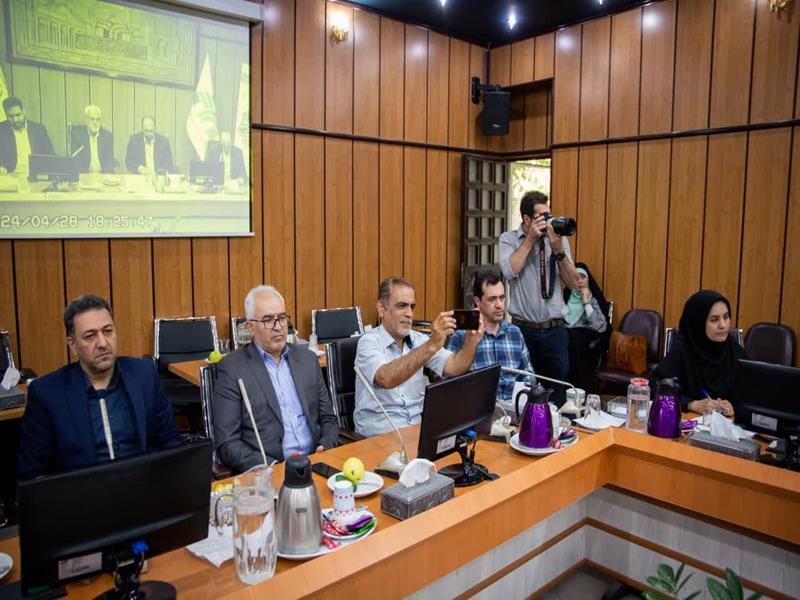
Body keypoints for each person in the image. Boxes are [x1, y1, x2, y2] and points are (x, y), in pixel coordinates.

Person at [17, 295, 181, 480]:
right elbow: (32, 475)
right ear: (72, 345)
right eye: (90, 336)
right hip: (83, 493)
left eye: (108, 331)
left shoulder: (144, 374)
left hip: (143, 485)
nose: (102, 343)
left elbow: (170, 440)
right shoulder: (47, 393)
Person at [213, 285, 338, 473]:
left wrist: (325, 445)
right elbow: (227, 443)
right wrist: (270, 466)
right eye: (268, 320)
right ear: (250, 327)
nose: (278, 326)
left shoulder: (307, 360)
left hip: (316, 462)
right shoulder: (232, 369)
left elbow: (328, 418)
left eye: (282, 318)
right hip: (270, 471)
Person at [354, 276, 483, 437]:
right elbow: (386, 378)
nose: (409, 313)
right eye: (401, 306)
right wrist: (431, 345)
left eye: (412, 307)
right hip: (379, 435)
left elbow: (455, 366)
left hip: (416, 431)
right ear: (381, 309)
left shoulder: (419, 340)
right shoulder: (368, 342)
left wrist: (471, 342)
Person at [499, 191, 580, 407]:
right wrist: (530, 241)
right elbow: (509, 271)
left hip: (555, 331)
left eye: (549, 215)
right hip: (523, 331)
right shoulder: (509, 239)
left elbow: (574, 283)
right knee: (524, 392)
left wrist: (559, 252)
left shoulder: (557, 240)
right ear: (527, 219)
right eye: (542, 216)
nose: (547, 221)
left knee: (557, 394)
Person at [446, 265, 535, 409]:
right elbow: (447, 384)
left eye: (502, 298)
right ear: (478, 301)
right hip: (476, 410)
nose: (499, 305)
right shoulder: (462, 336)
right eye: (492, 299)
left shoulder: (515, 333)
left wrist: (520, 403)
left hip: (513, 409)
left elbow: (528, 376)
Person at [653, 290, 745, 416]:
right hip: (687, 421)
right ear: (698, 323)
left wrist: (732, 406)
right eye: (714, 320)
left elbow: (752, 395)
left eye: (726, 317)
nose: (723, 325)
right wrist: (692, 404)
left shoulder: (733, 350)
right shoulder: (682, 350)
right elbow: (654, 389)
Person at [563, 263, 609, 390]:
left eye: (582, 277)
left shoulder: (593, 299)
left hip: (585, 342)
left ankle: (576, 388)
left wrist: (586, 303)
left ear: (588, 280)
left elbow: (600, 326)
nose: (579, 281)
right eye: (576, 278)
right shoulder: (565, 297)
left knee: (573, 338)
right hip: (565, 339)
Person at [0, 96, 55, 176]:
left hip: (36, 175)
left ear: (24, 111)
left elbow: (50, 155)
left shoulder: (38, 130)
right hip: (10, 175)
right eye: (10, 116)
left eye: (18, 115)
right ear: (6, 115)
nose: (15, 120)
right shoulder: (1, 130)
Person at [70, 104, 115, 173]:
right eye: (92, 119)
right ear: (86, 120)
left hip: (103, 176)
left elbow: (109, 162)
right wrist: (87, 177)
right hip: (84, 176)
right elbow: (76, 162)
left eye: (98, 119)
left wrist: (104, 176)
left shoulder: (107, 136)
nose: (95, 122)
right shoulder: (77, 136)